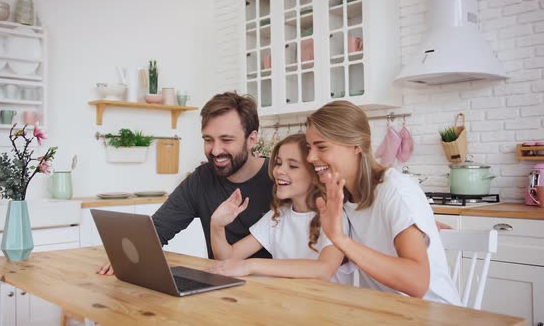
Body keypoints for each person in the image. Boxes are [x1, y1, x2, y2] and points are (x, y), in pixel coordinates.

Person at [98, 92, 273, 275]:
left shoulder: (280, 180)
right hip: (225, 286)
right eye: (208, 140)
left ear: (252, 139)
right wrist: (124, 254)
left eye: (226, 140)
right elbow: (158, 229)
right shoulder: (201, 180)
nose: (215, 150)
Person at [305, 100, 460, 305]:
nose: (310, 157)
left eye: (321, 147)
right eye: (309, 147)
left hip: (435, 315)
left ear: (356, 146)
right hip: (387, 312)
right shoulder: (341, 197)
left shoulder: (396, 191)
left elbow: (417, 283)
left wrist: (341, 239)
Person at [207, 134, 345, 281]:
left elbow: (324, 269)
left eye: (293, 166)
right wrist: (216, 225)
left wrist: (250, 265)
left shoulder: (335, 215)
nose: (279, 171)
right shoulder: (278, 216)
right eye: (278, 163)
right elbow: (228, 258)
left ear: (315, 174)